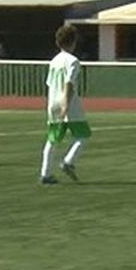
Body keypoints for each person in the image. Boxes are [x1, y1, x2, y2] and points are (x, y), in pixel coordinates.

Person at [42, 24, 90, 185]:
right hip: (67, 102)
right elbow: (69, 83)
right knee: (83, 135)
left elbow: (49, 83)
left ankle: (45, 174)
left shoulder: (54, 61)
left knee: (53, 139)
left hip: (52, 102)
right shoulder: (73, 61)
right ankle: (68, 162)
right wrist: (66, 104)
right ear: (74, 41)